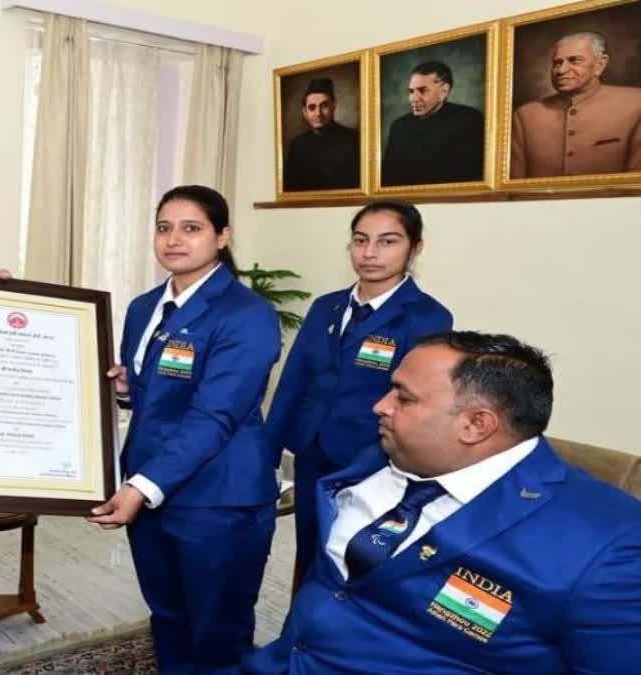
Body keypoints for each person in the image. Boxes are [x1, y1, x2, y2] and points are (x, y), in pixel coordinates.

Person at [244, 332, 641, 673]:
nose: (380, 406)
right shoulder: (373, 459)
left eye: (404, 397)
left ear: (475, 425)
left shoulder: (611, 547)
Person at [89, 185, 282, 674]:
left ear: (222, 237)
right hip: (154, 486)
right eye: (164, 227)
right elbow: (160, 396)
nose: (174, 239)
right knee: (169, 616)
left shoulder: (247, 314)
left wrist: (140, 487)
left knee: (218, 629)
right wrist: (126, 390)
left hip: (218, 498)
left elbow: (216, 414)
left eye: (191, 228)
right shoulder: (144, 307)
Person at [265, 200, 452, 587]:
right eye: (360, 240)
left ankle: (336, 640)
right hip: (312, 451)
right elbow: (294, 380)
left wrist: (378, 460)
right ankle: (299, 635)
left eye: (387, 241)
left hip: (373, 460)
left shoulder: (427, 316)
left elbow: (414, 400)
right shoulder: (326, 307)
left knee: (352, 556)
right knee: (309, 549)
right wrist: (266, 453)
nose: (370, 253)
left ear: (415, 248)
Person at [511, 31, 641, 178]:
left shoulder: (636, 103)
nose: (561, 70)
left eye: (574, 61)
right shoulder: (526, 115)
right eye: (557, 63)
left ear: (600, 64)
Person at [381, 61, 484, 186]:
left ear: (444, 91)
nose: (413, 98)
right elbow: (388, 180)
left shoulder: (469, 120)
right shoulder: (399, 126)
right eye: (411, 91)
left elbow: (470, 178)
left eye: (423, 90)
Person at [283, 77, 360, 191]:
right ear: (304, 112)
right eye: (312, 107)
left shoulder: (353, 139)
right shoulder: (297, 145)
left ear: (334, 106)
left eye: (324, 106)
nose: (318, 113)